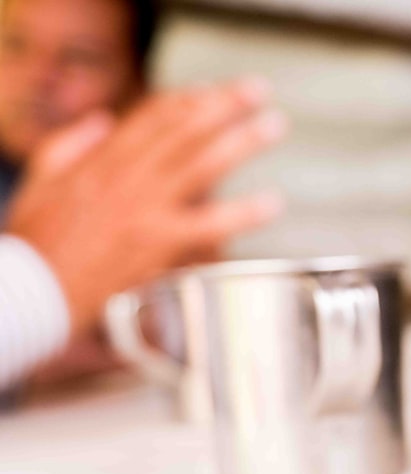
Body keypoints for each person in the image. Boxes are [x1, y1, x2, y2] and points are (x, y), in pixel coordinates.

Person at [0, 0, 284, 391]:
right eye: (14, 45)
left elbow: (196, 353)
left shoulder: (151, 207)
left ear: (137, 85)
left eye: (80, 57)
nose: (39, 77)